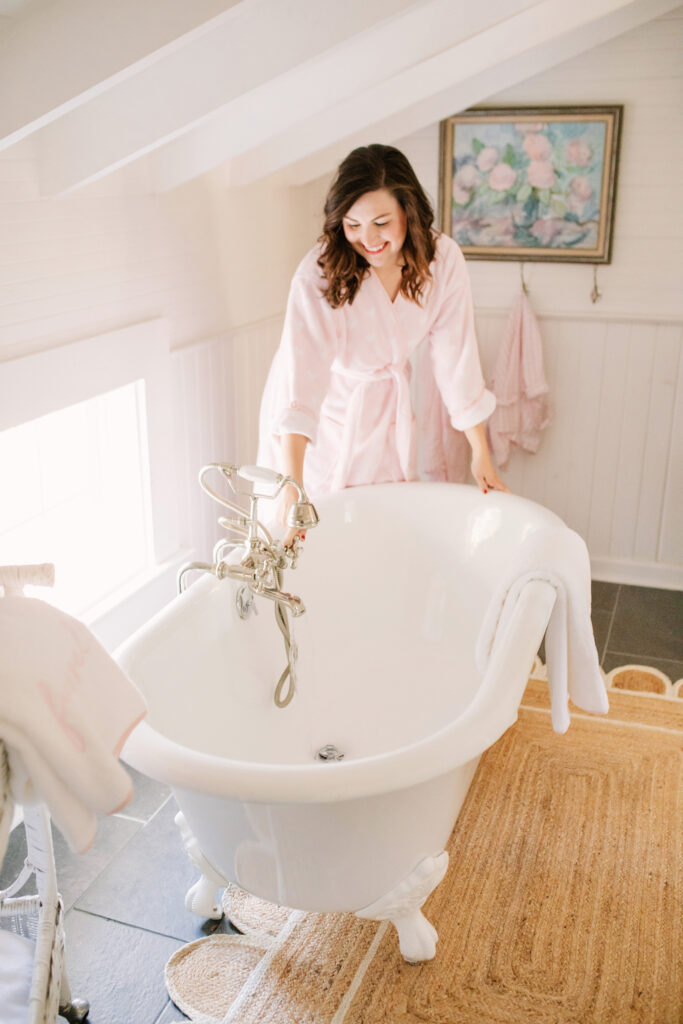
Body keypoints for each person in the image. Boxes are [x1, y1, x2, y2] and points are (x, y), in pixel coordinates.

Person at [256, 144, 508, 543]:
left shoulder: (441, 262)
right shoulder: (319, 274)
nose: (367, 239)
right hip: (320, 420)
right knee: (312, 533)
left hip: (388, 412)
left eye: (381, 222)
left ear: (408, 210)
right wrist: (292, 486)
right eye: (352, 225)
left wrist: (480, 452)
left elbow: (456, 359)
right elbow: (299, 389)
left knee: (377, 532)